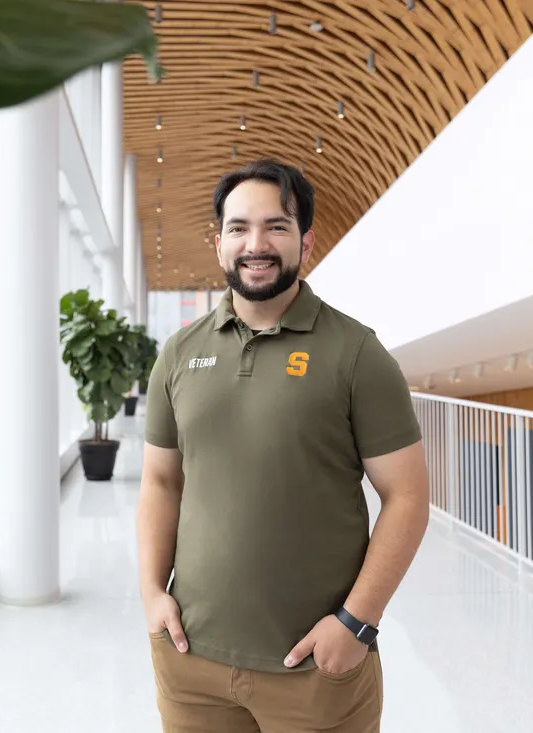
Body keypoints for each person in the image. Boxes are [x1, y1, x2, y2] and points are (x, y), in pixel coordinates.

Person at [136, 158, 430, 733]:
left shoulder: (356, 355)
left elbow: (408, 497)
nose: (257, 243)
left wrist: (356, 624)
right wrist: (150, 593)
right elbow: (161, 481)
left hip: (315, 672)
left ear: (306, 240)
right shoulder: (177, 354)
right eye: (240, 228)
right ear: (219, 242)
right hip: (190, 662)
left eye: (277, 226)